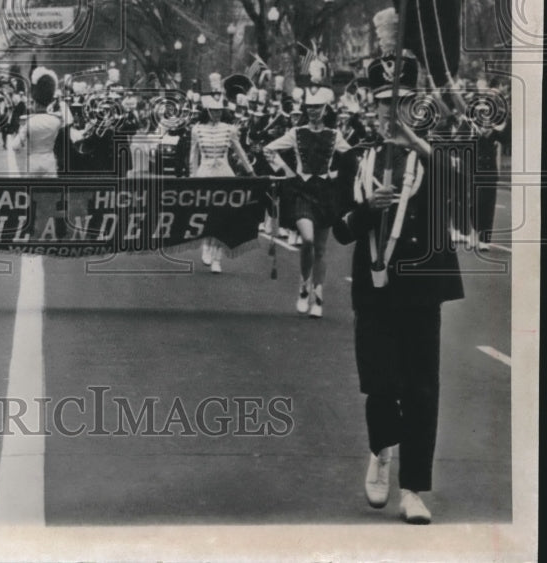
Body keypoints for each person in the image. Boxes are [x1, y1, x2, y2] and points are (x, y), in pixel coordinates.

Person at [332, 52, 463, 525]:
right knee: (382, 385)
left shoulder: (431, 155)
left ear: (416, 105)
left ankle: (413, 489)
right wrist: (369, 208)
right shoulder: (355, 157)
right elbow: (341, 228)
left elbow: (462, 185)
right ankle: (381, 451)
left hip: (422, 287)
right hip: (375, 286)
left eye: (404, 101)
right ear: (372, 105)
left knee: (422, 388)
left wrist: (415, 141)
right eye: (386, 103)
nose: (393, 111)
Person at [264, 83, 352, 317]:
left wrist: (337, 174)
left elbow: (352, 158)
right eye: (310, 107)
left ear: (326, 109)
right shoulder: (296, 132)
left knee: (321, 249)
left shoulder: (335, 135)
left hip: (325, 193)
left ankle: (318, 295)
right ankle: (304, 286)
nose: (313, 111)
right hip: (302, 191)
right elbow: (268, 149)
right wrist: (286, 171)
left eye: (318, 107)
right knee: (308, 240)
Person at [189, 92, 255, 273]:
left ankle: (217, 258)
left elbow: (239, 151)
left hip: (225, 173)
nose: (217, 114)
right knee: (207, 213)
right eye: (213, 111)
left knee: (222, 216)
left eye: (219, 111)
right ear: (207, 111)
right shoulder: (197, 129)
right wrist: (192, 177)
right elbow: (193, 156)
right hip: (204, 174)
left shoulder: (229, 129)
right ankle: (206, 246)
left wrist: (250, 171)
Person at [8, 67, 64, 176]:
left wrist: (21, 129)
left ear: (36, 103)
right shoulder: (57, 120)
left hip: (33, 162)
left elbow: (15, 146)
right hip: (49, 161)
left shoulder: (29, 122)